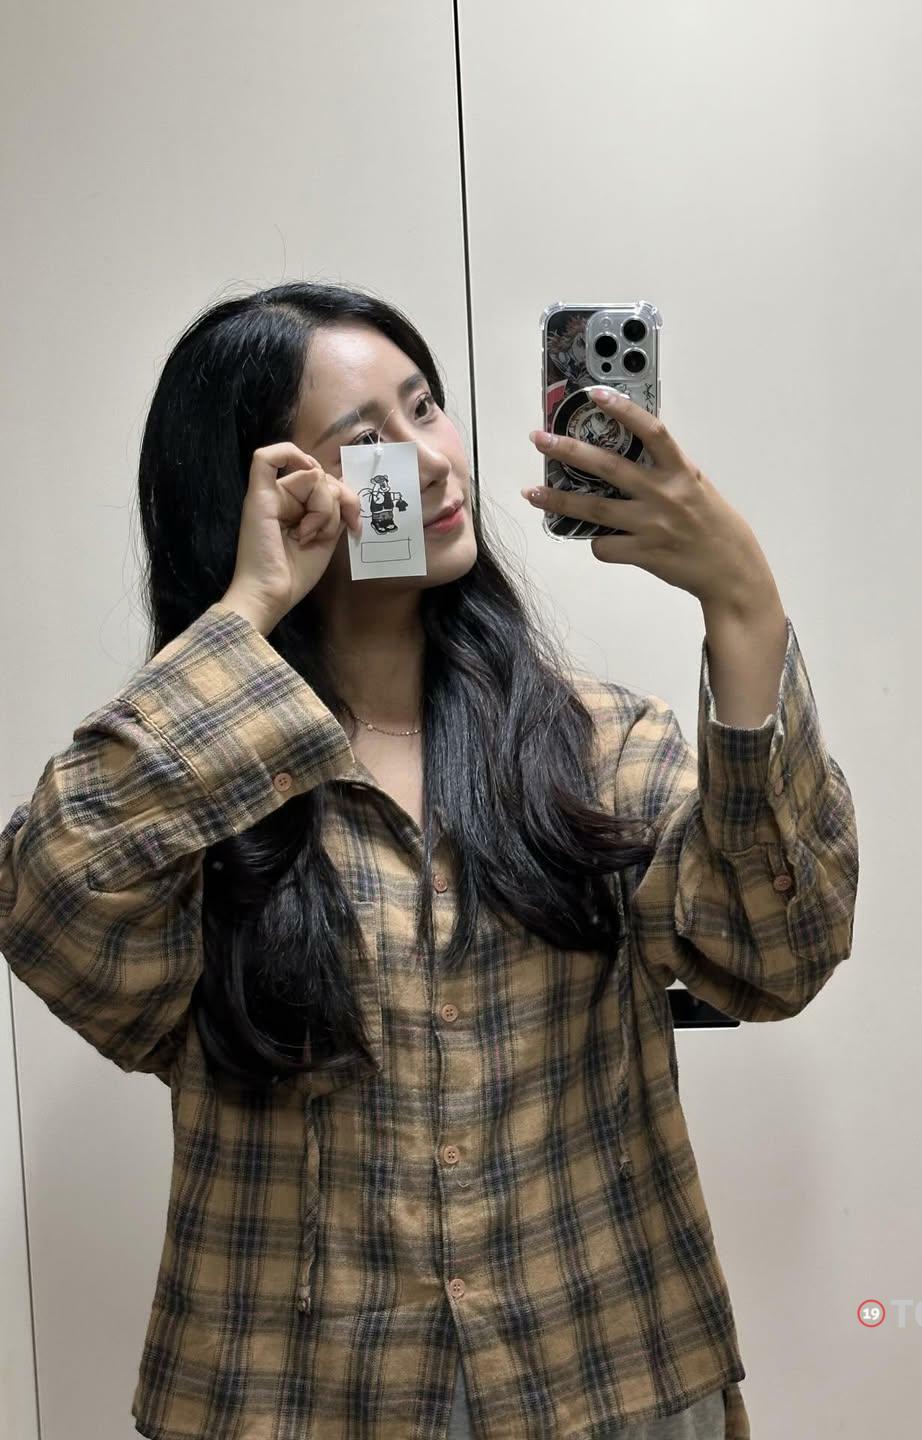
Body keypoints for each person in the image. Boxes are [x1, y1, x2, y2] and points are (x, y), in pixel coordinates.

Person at [0, 281, 858, 1438]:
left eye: (426, 407)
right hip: (292, 1403)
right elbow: (50, 900)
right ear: (261, 495)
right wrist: (248, 609)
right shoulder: (201, 796)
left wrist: (743, 604)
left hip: (608, 1377)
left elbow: (781, 953)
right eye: (368, 440)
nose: (435, 462)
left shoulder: (600, 750)